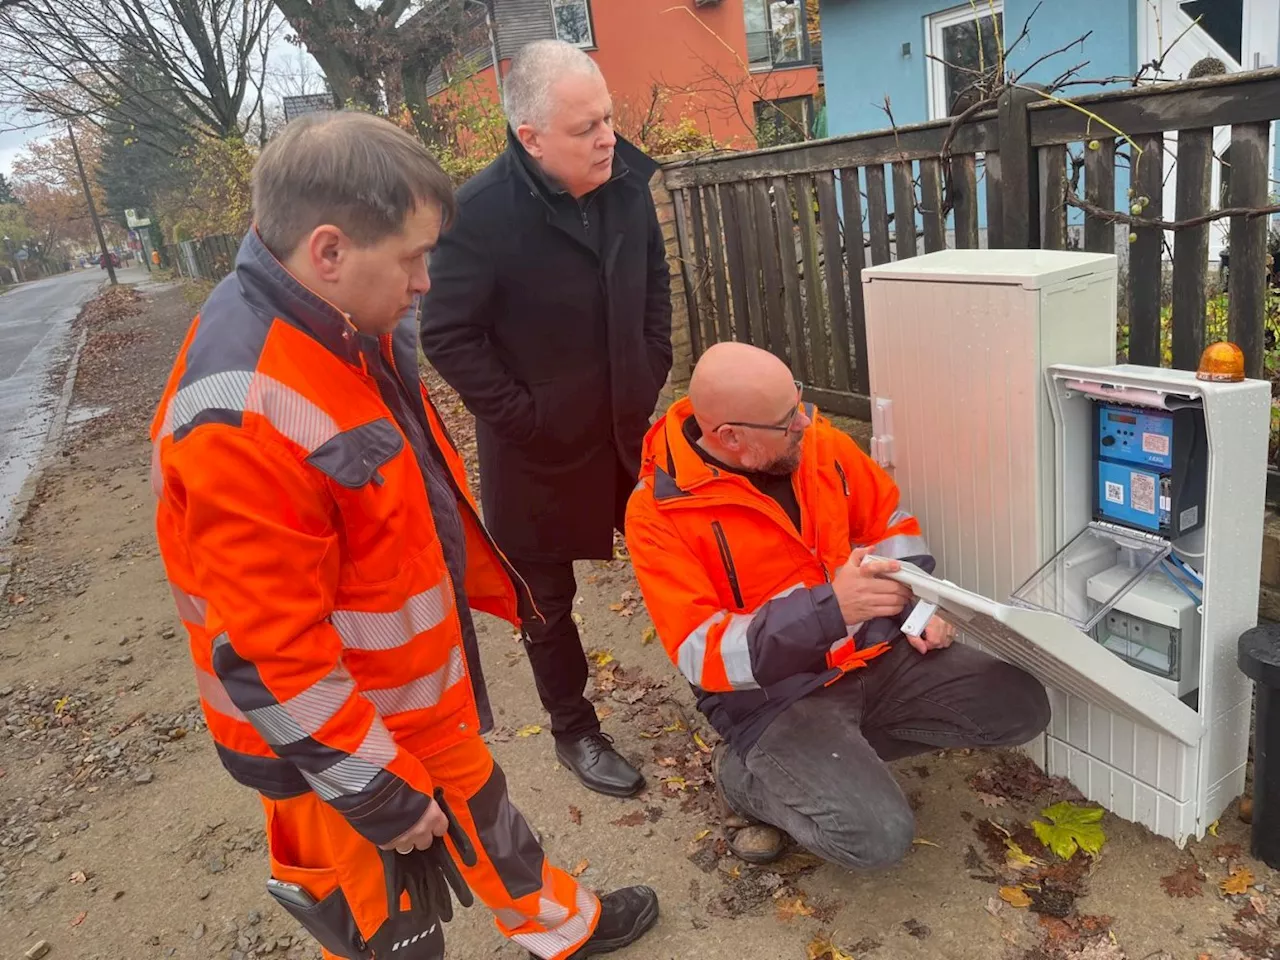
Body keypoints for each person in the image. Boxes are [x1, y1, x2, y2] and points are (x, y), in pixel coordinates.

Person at [149, 110, 658, 960]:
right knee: (385, 928)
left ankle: (562, 927)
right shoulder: (243, 411)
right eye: (415, 258)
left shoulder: (338, 324)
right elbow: (275, 657)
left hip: (401, 692)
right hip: (334, 739)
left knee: (483, 813)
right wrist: (379, 794)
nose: (427, 282)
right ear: (330, 251)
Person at [625, 342, 1051, 867]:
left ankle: (837, 758)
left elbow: (891, 527)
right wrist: (833, 610)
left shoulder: (818, 445)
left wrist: (916, 610)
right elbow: (702, 654)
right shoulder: (657, 515)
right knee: (875, 840)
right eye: (786, 421)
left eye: (798, 404)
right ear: (729, 437)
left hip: (872, 652)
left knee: (1021, 705)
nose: (804, 424)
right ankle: (740, 781)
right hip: (773, 698)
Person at [420, 39, 672, 799]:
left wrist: (650, 365)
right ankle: (574, 728)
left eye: (606, 118)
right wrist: (523, 418)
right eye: (585, 127)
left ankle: (733, 691)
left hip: (628, 433)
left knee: (679, 557)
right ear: (530, 137)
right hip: (535, 452)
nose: (607, 138)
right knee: (547, 605)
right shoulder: (477, 216)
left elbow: (655, 283)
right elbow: (446, 333)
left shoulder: (624, 183)